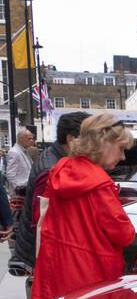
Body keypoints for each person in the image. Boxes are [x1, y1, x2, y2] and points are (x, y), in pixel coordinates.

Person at [30, 115, 136, 299]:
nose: (123, 157)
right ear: (104, 143)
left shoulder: (59, 170)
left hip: (55, 269)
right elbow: (124, 234)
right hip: (91, 276)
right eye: (121, 148)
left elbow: (39, 216)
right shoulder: (99, 185)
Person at [12, 111, 89, 278]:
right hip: (43, 256)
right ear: (71, 139)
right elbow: (44, 224)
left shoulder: (55, 157)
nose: (93, 144)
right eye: (88, 138)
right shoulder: (51, 169)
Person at [5, 128, 35, 195]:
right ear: (20, 139)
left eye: (32, 138)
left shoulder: (24, 151)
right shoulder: (14, 152)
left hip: (27, 190)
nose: (32, 141)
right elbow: (10, 174)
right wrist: (18, 189)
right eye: (29, 138)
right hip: (20, 193)